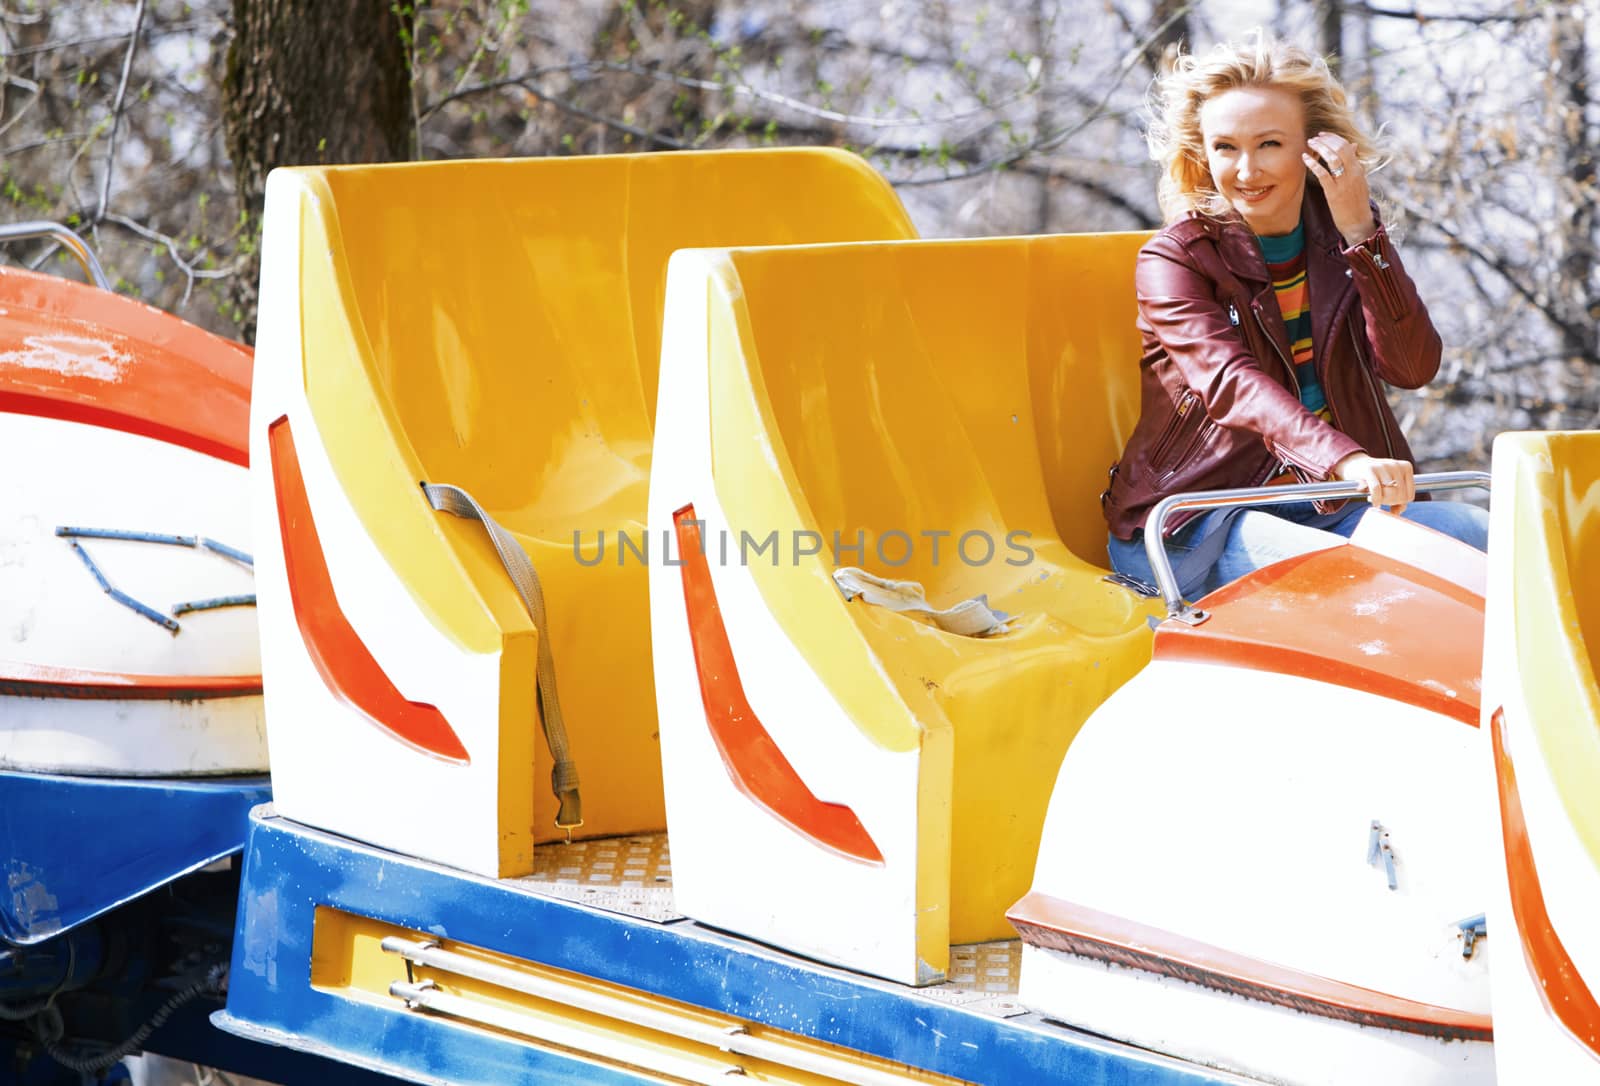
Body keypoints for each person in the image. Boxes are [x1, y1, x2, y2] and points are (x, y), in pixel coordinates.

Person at [1100, 32, 1487, 599]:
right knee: (1368, 580)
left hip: (1328, 506)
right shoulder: (1175, 259)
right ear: (1201, 155)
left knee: (1495, 540)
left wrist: (1362, 234)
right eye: (1226, 147)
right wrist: (1346, 460)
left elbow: (1411, 367)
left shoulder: (1343, 240)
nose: (1246, 170)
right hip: (1198, 521)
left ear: (1314, 147)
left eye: (1270, 144)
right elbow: (1231, 385)